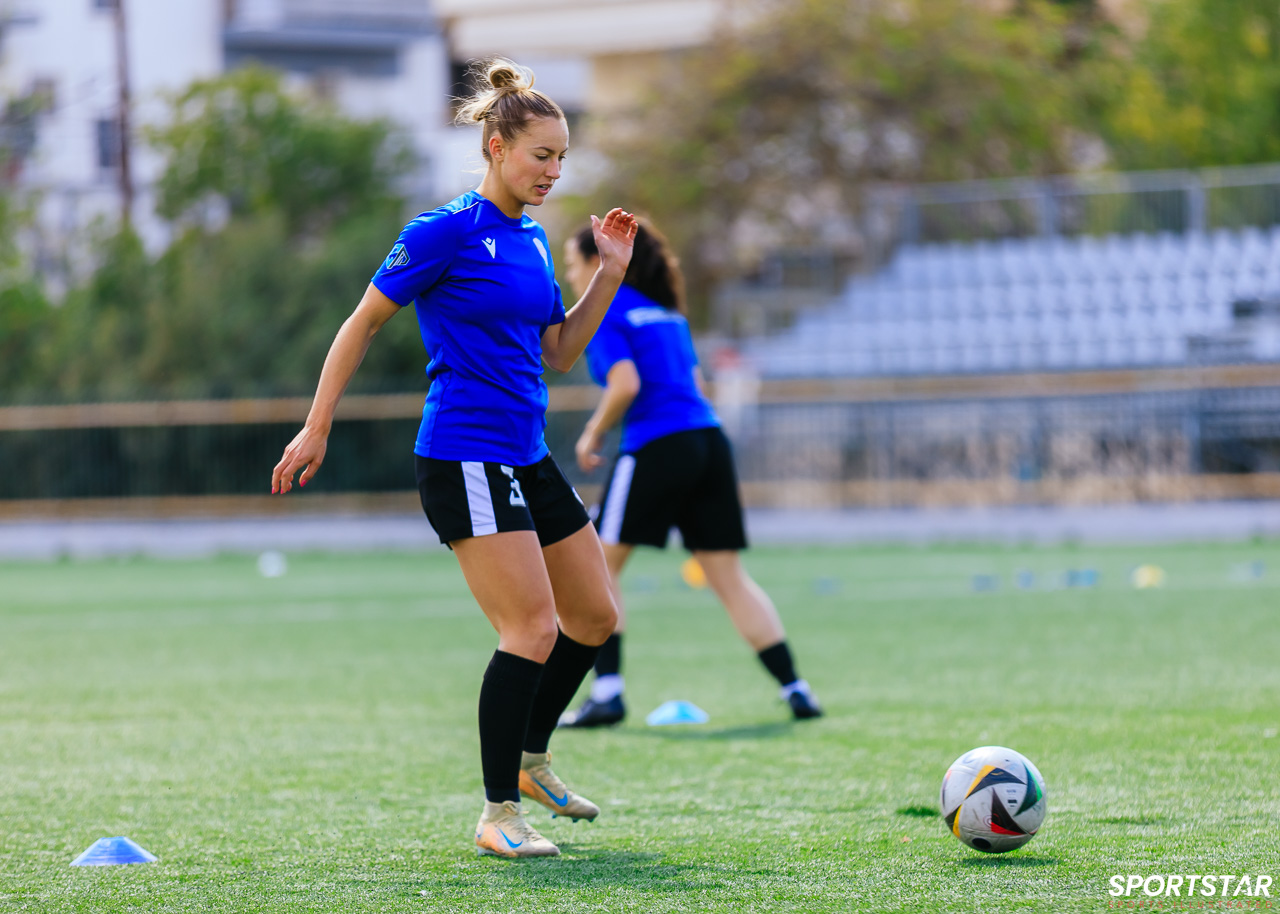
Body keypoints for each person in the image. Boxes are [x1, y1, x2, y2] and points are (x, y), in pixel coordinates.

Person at [270, 59, 638, 859]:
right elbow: (362, 322)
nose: (554, 170)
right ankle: (497, 813)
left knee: (595, 617)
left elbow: (560, 352)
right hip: (464, 454)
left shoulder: (533, 240)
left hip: (526, 454)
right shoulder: (443, 231)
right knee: (529, 627)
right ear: (497, 148)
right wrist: (317, 425)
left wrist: (608, 277)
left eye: (562, 157)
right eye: (541, 155)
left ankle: (531, 760)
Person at [557, 219, 823, 729]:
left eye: (571, 264)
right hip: (708, 442)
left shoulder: (606, 309)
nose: (570, 275)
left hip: (656, 445)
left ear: (597, 261)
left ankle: (607, 693)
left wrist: (592, 432)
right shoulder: (666, 313)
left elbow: (625, 384)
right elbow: (694, 384)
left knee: (597, 568)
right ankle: (796, 688)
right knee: (729, 577)